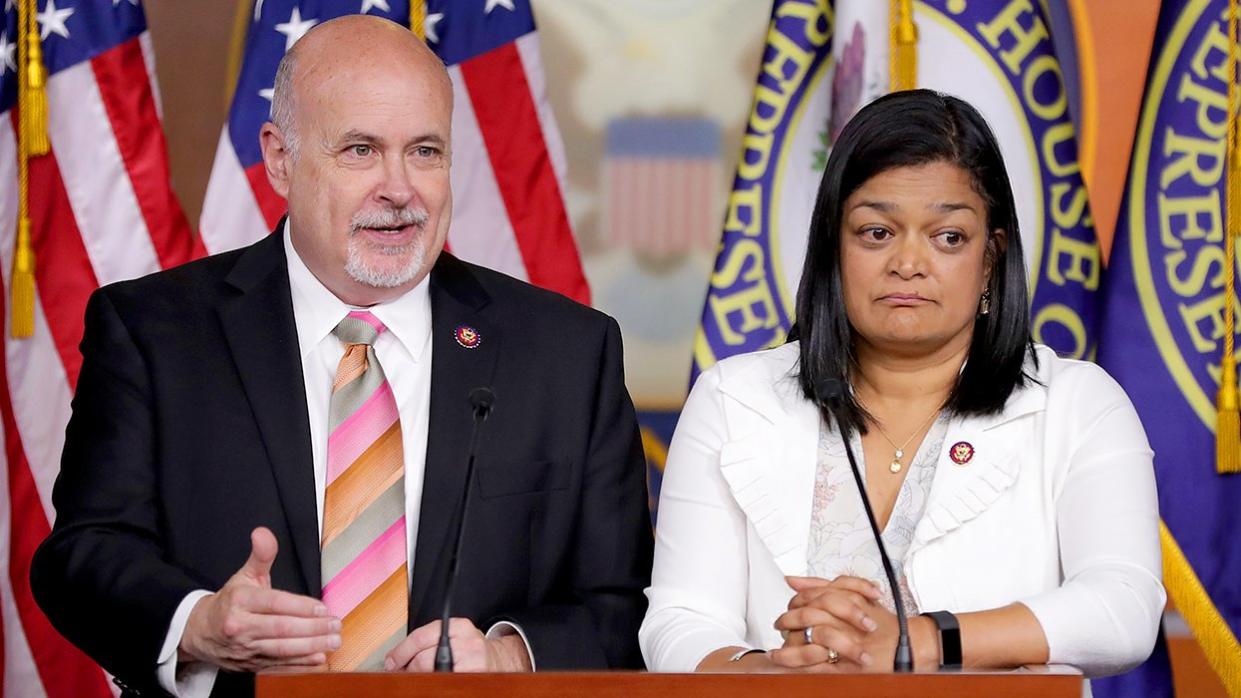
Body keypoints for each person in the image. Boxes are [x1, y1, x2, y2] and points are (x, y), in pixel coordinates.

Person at [32, 15, 651, 697]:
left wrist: (509, 659)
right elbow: (83, 554)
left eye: (424, 151)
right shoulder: (155, 332)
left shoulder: (567, 351)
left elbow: (623, 603)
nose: (398, 188)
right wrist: (198, 623)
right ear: (278, 159)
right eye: (359, 150)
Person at [639, 90, 1163, 684]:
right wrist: (777, 671)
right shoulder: (734, 399)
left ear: (990, 258)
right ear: (834, 248)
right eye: (876, 232)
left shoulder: (1078, 404)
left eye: (948, 238)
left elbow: (1124, 606)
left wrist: (922, 641)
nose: (908, 263)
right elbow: (679, 621)